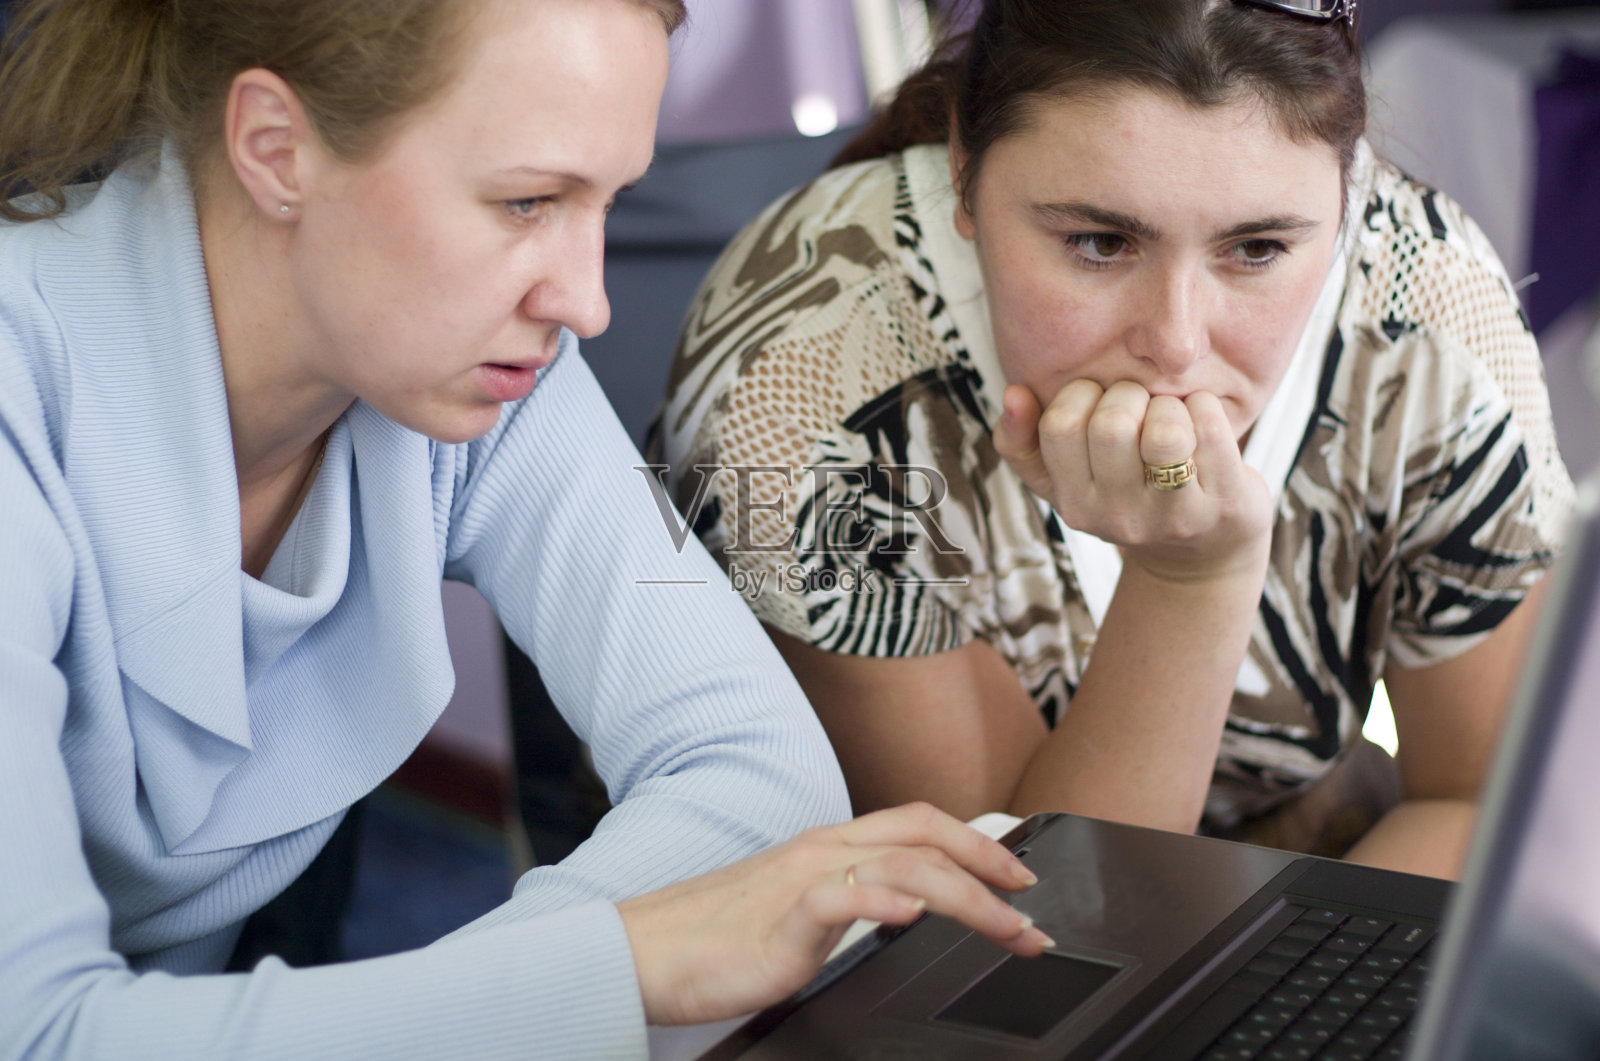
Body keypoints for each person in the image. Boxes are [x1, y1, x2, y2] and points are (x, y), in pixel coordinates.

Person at [0, 1, 1057, 1061]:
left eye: (605, 202)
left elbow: (763, 764)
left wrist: (529, 991)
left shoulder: (509, 380)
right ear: (277, 149)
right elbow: (37, 1033)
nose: (586, 302)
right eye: (525, 202)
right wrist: (614, 962)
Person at [652, 0, 1575, 881]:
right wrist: (1190, 581)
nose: (1175, 341)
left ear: (1346, 197)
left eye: (1256, 250)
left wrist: (1300, 1003)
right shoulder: (801, 377)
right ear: (964, 167)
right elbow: (1021, 931)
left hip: (1301, 875)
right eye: (1098, 241)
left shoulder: (1429, 317)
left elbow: (1494, 806)